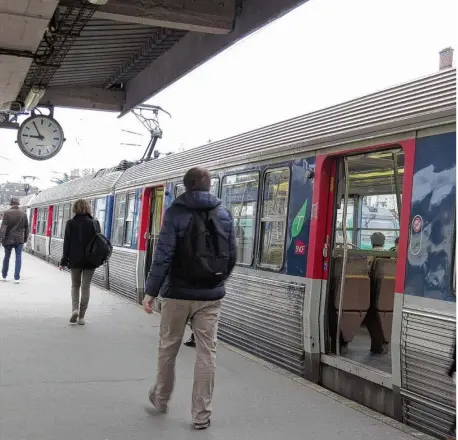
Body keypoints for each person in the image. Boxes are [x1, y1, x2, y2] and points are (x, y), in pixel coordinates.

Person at [142, 167, 236, 430]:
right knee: (208, 353)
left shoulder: (175, 212)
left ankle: (161, 398)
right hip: (211, 297)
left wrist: (151, 292)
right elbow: (232, 255)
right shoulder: (223, 212)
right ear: (208, 186)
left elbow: (163, 256)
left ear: (185, 186)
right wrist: (216, 280)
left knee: (168, 347)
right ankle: (201, 415)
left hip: (177, 294)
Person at [59, 199, 101, 325]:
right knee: (86, 288)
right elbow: (99, 243)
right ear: (88, 208)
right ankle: (82, 317)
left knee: (75, 286)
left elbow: (67, 244)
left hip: (75, 260)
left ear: (75, 208)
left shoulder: (70, 223)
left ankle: (74, 310)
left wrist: (63, 261)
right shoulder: (95, 223)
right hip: (90, 261)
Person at [0, 197, 29, 283]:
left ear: (11, 204)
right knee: (18, 258)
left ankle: (4, 276)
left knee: (6, 257)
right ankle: (17, 278)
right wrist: (25, 239)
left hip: (8, 239)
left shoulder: (7, 213)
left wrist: (1, 238)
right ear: (18, 204)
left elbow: (3, 227)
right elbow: (26, 227)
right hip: (19, 239)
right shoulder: (23, 214)